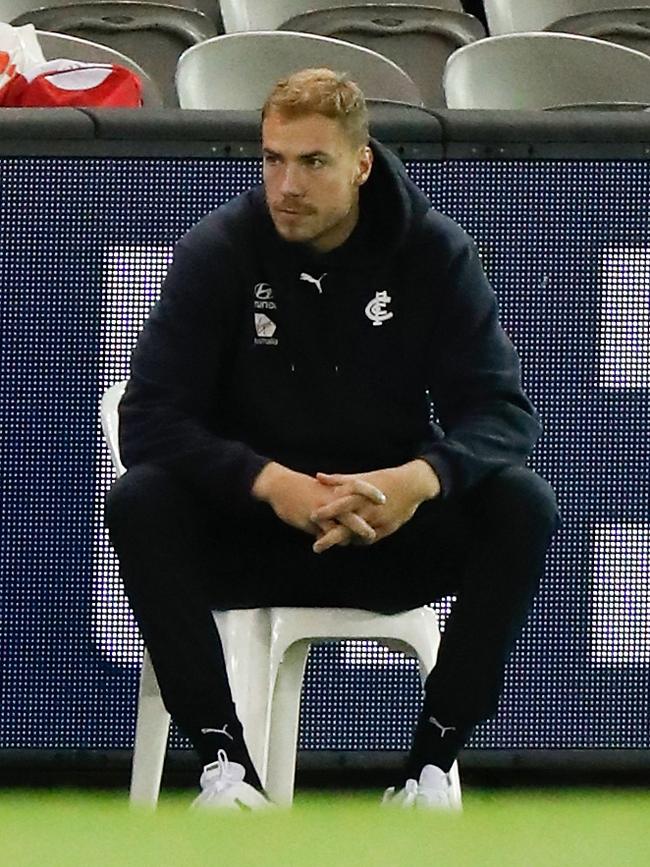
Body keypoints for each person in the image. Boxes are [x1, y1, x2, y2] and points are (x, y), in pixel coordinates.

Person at [105, 68, 559, 810]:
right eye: (273, 158)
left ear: (361, 163)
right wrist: (270, 483)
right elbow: (149, 419)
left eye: (312, 162)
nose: (286, 184)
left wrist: (417, 480)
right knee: (140, 500)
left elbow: (503, 417)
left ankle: (430, 767)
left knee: (522, 503)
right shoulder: (218, 252)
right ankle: (225, 768)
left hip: (385, 533)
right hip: (253, 532)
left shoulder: (433, 255)